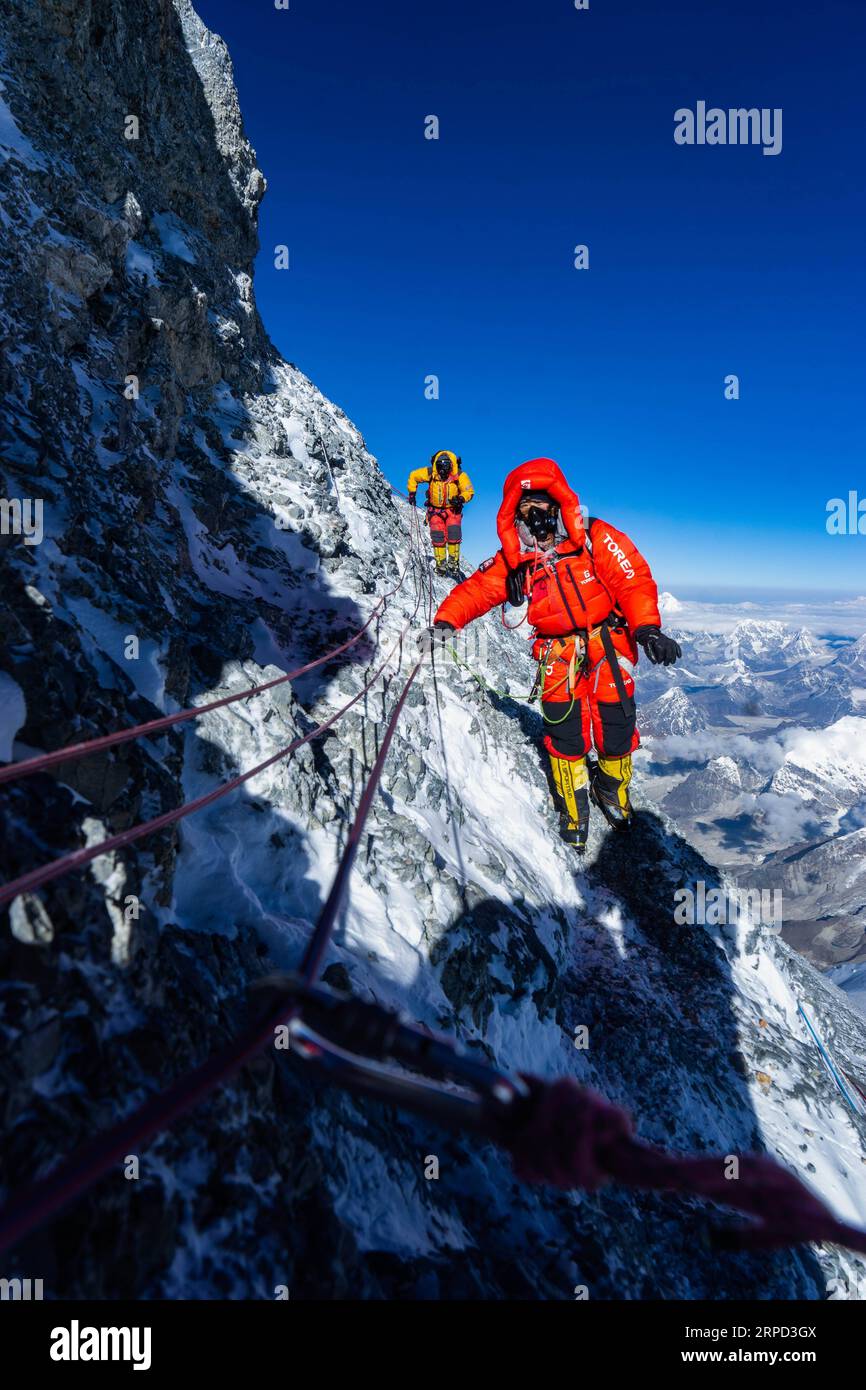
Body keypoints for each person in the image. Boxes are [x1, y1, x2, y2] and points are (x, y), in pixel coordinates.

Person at [421, 458, 681, 851]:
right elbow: (477, 591)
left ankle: (612, 791)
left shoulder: (594, 537)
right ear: (514, 516)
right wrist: (446, 623)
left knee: (616, 722)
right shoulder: (515, 559)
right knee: (564, 730)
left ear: (558, 504)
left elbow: (632, 579)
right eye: (525, 512)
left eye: (541, 508)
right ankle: (573, 806)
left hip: (607, 642)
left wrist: (646, 627)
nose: (535, 519)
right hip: (557, 651)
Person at [407, 450, 474, 577]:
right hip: (435, 511)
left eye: (445, 468)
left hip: (453, 510)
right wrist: (412, 493)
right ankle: (440, 565)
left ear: (450, 466)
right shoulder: (430, 473)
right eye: (440, 468)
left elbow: (468, 490)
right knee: (438, 538)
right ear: (436, 466)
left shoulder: (459, 475)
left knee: (454, 536)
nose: (443, 472)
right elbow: (414, 476)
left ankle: (453, 563)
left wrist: (461, 498)